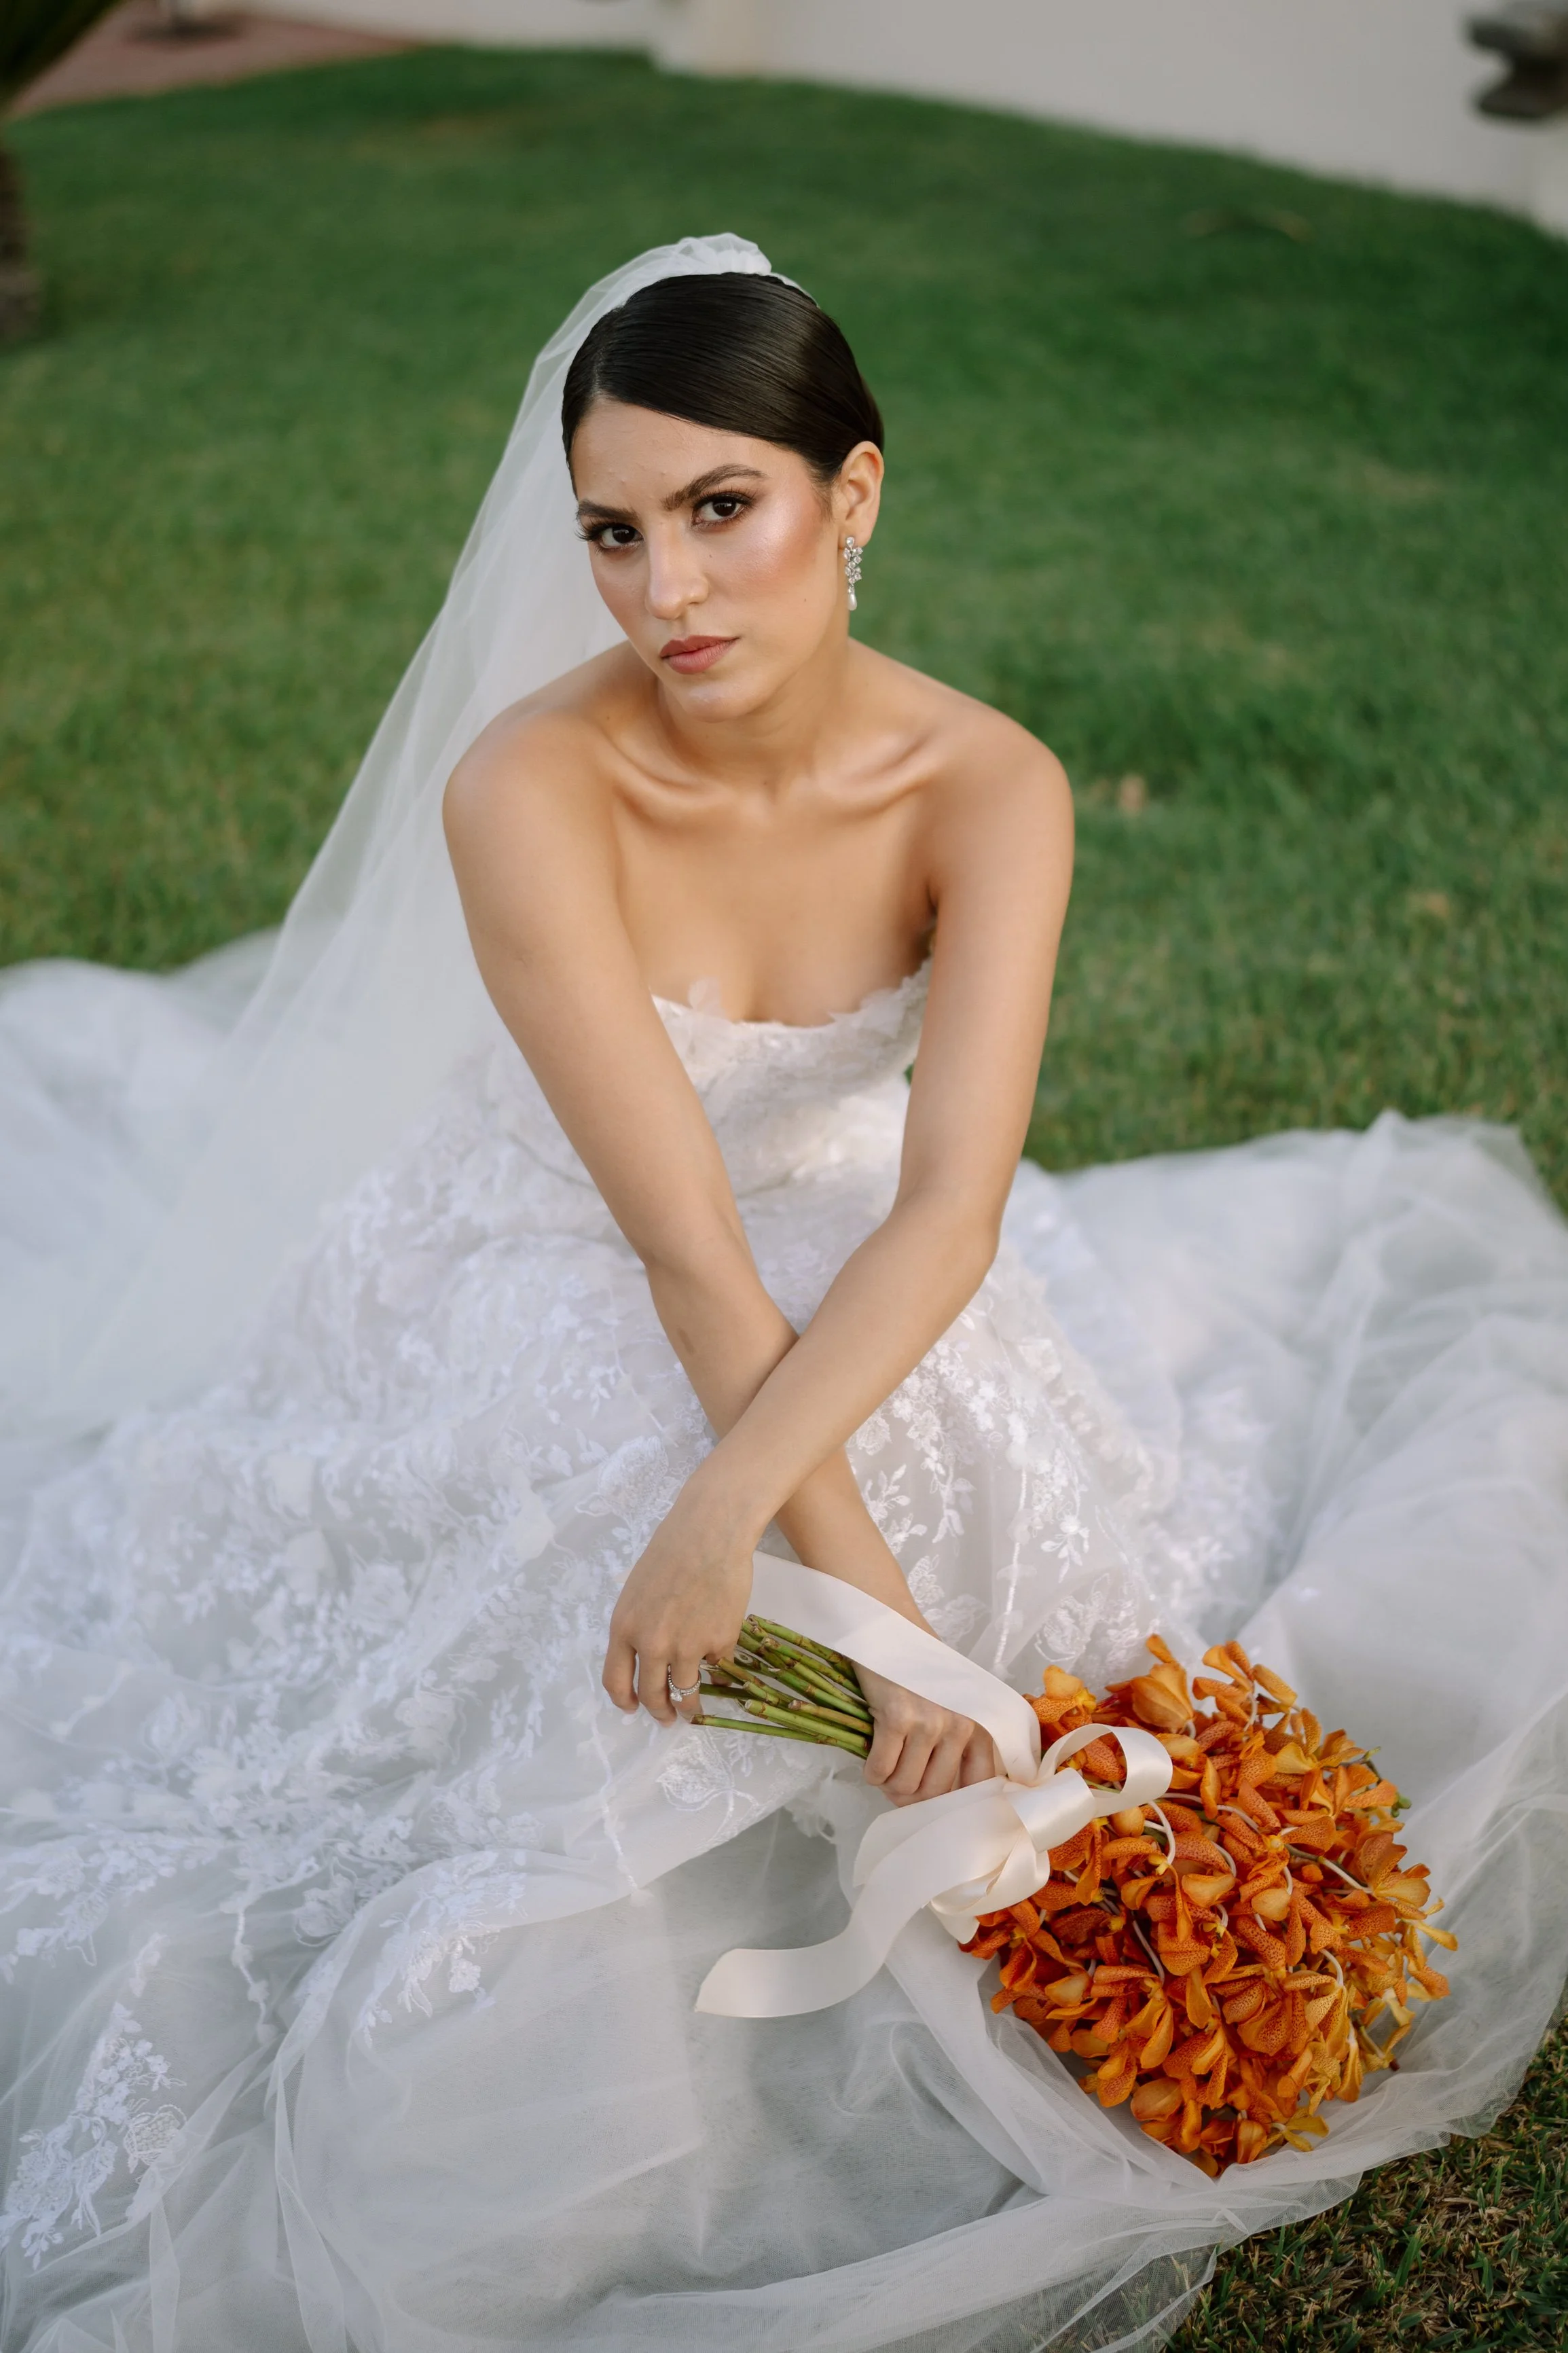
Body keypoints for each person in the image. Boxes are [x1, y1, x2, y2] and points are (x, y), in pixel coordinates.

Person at [1, 234, 1566, 2353]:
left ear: (853, 494)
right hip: (552, 1241)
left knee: (930, 1449)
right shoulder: (528, 787)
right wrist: (827, 1590)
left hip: (859, 1239)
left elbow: (948, 1209)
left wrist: (812, 1572)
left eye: (720, 510)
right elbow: (675, 1248)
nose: (667, 596)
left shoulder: (985, 786)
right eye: (615, 534)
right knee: (602, 1462)